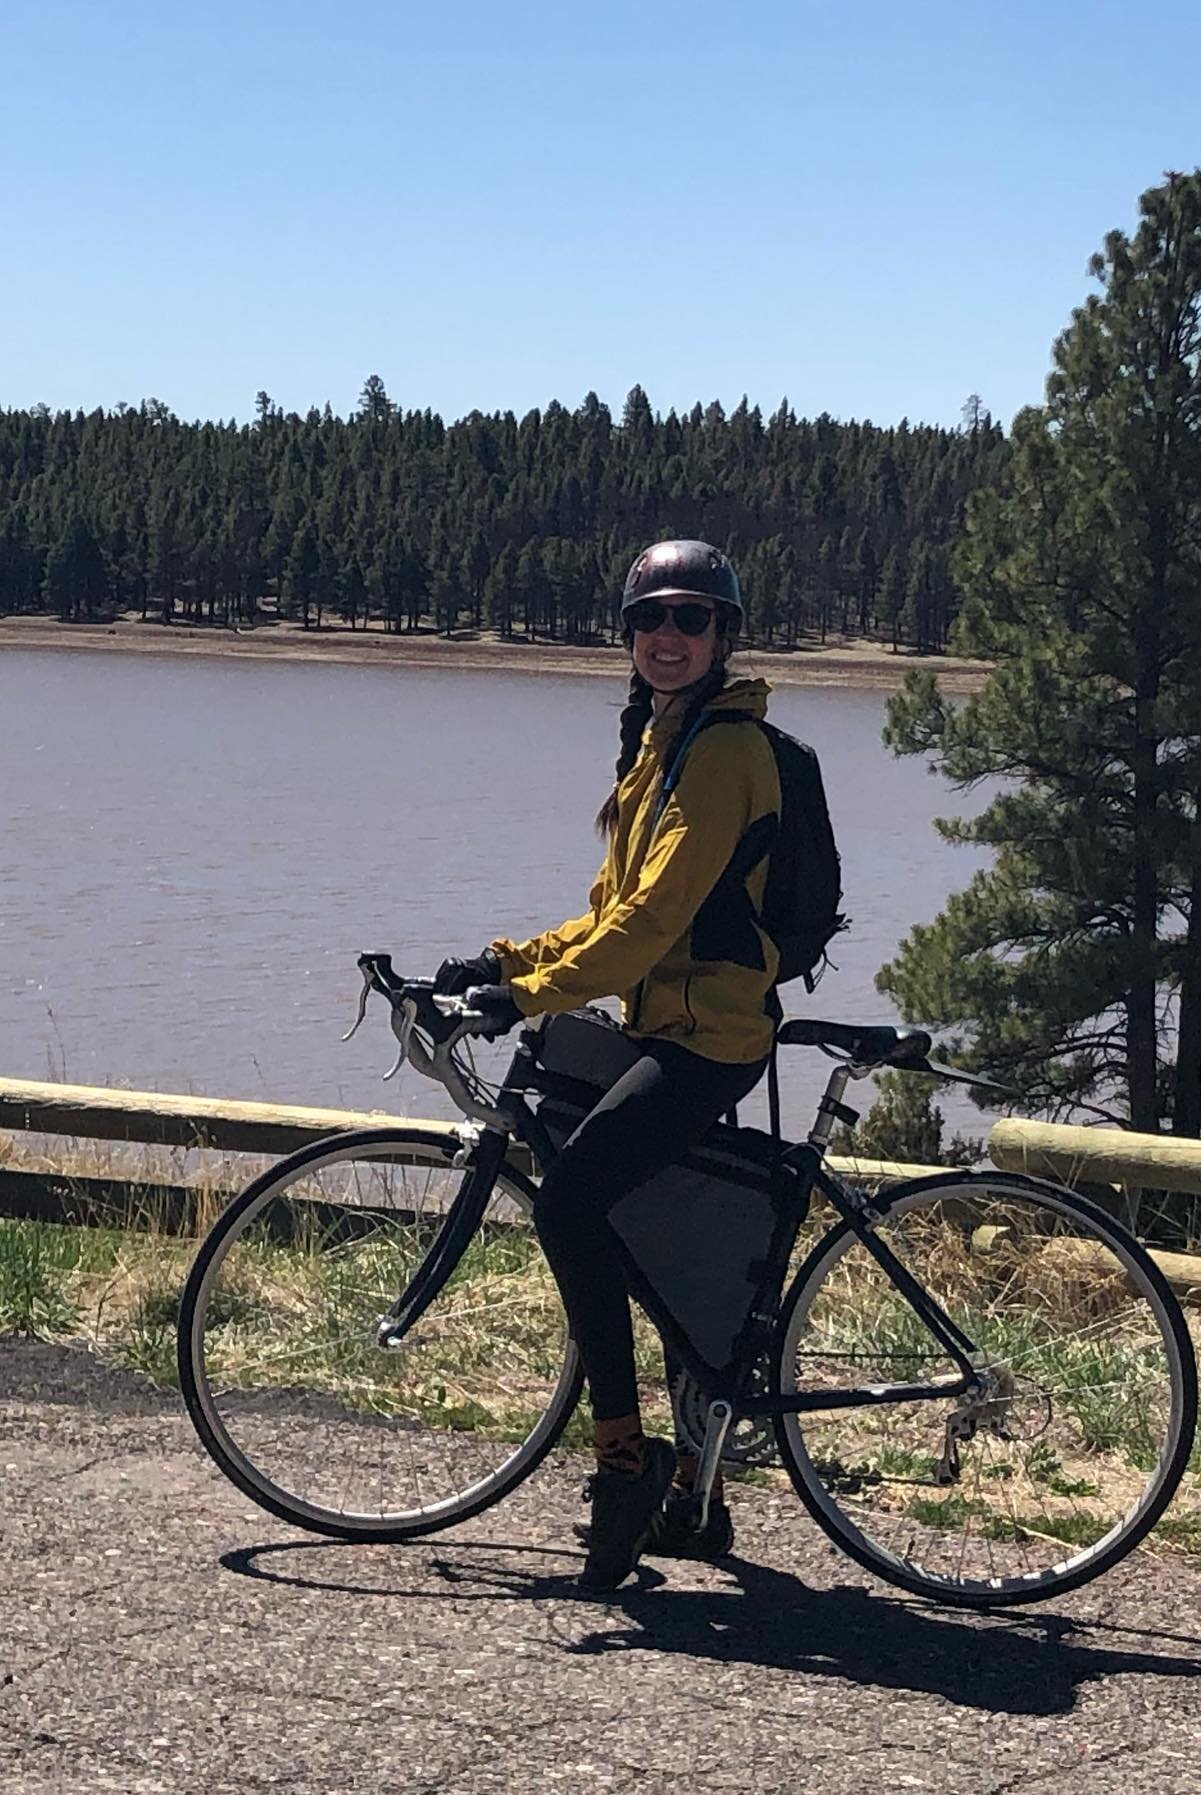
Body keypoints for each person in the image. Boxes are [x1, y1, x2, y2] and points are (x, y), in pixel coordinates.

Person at [434, 539, 785, 1591]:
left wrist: (526, 993)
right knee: (671, 1254)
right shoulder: (664, 742)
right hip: (662, 1022)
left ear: (724, 636)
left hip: (708, 1038)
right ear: (628, 638)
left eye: (690, 619)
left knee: (570, 1207)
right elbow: (610, 915)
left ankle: (626, 1462)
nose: (667, 637)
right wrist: (503, 960)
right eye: (648, 621)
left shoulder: (723, 753)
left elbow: (650, 925)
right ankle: (699, 1491)